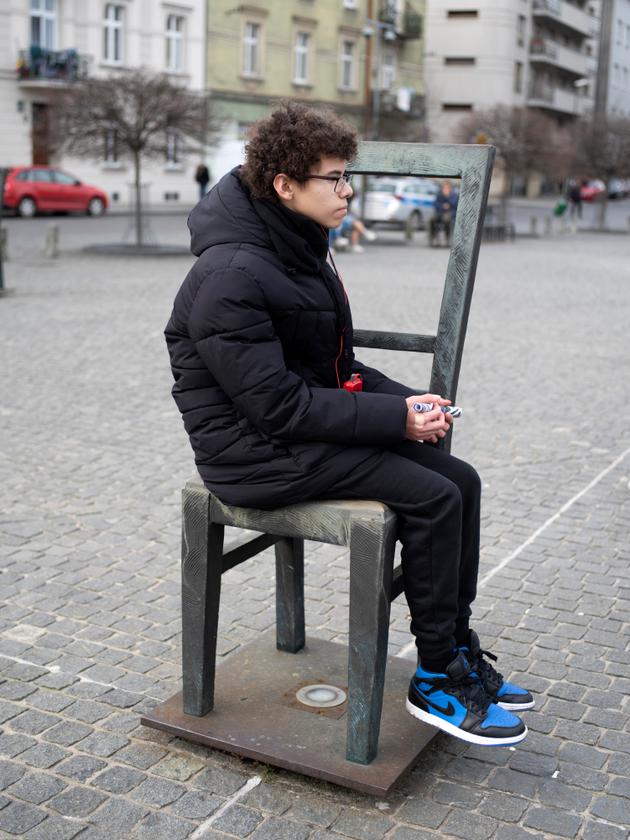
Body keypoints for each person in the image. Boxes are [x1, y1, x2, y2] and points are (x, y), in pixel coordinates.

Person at [165, 102, 533, 747]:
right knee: (434, 494)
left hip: (293, 435)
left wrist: (413, 403)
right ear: (285, 186)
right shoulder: (230, 274)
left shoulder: (295, 250)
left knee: (462, 479)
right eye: (333, 178)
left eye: (346, 176)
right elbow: (277, 404)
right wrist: (395, 419)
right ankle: (438, 679)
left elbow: (337, 365)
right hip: (253, 454)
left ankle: (454, 646)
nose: (347, 190)